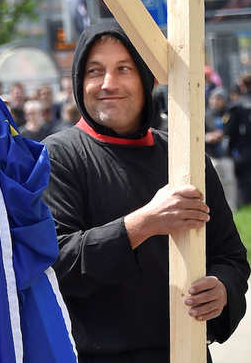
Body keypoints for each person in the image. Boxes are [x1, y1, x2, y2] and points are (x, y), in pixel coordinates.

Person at [42, 19, 249, 363]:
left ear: (145, 77)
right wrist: (144, 223)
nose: (108, 83)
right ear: (79, 81)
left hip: (187, 353)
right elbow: (57, 264)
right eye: (95, 71)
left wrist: (222, 288)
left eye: (123, 68)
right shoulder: (56, 155)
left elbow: (230, 255)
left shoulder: (184, 156)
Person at [227, 73, 251, 207]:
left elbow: (231, 130)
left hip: (243, 148)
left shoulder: (237, 106)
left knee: (243, 179)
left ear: (242, 86)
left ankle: (246, 203)